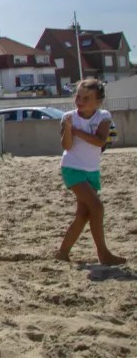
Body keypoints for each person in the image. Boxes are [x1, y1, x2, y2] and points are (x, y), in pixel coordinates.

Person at [55, 78, 125, 265]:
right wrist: (69, 129)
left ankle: (62, 252)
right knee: (97, 207)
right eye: (78, 96)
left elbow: (100, 141)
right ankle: (103, 254)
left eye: (87, 97)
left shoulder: (103, 116)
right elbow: (67, 146)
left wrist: (77, 132)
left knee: (83, 214)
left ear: (98, 101)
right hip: (72, 168)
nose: (81, 100)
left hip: (91, 170)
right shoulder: (68, 117)